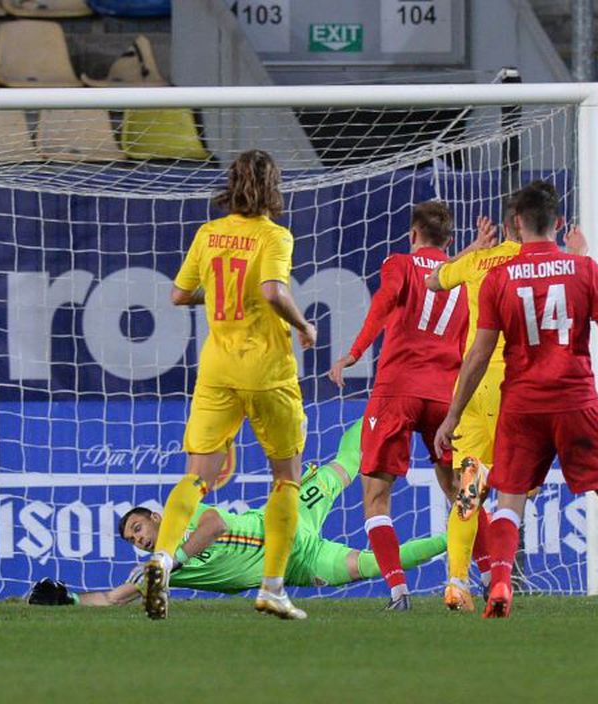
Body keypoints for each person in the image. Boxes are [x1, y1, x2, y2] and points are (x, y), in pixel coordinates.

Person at [433, 181, 598, 619]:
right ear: (559, 223)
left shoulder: (494, 275)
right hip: (574, 400)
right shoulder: (584, 269)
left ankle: (495, 583)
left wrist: (452, 414)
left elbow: (477, 352)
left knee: (506, 499)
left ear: (516, 223)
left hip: (519, 404)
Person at [147, 149, 316, 621]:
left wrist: (219, 295)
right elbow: (272, 291)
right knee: (286, 479)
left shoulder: (209, 232)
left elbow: (179, 294)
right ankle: (272, 588)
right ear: (273, 187)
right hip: (266, 372)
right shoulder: (274, 236)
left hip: (217, 370)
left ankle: (163, 556)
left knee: (197, 476)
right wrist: (304, 325)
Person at [27, 421, 447, 606]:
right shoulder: (157, 569)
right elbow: (116, 597)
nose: (137, 538)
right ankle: (459, 536)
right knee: (369, 566)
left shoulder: (185, 516)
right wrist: (70, 599)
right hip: (297, 564)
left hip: (287, 520)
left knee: (342, 467)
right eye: (132, 539)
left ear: (156, 517)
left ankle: (389, 412)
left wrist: (176, 558)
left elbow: (216, 524)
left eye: (137, 527)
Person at [424, 200, 588, 611]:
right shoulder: (538, 264)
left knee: (468, 492)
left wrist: (471, 250)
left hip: (470, 387)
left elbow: (431, 281)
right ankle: (500, 576)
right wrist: (578, 253)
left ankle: (456, 583)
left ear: (509, 224)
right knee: (515, 492)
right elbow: (566, 294)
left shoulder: (479, 261)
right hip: (513, 386)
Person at [327, 201, 468, 611]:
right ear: (450, 241)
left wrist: (354, 353)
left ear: (412, 235)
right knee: (460, 493)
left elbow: (382, 305)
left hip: (396, 392)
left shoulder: (400, 264)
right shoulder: (462, 280)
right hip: (444, 396)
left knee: (376, 496)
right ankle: (494, 578)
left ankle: (398, 591)